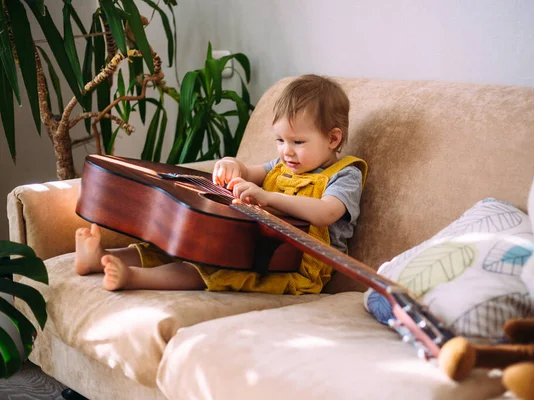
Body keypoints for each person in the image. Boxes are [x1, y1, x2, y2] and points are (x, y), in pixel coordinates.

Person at [74, 74, 368, 295]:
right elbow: (250, 171)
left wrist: (267, 197)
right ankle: (101, 258)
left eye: (298, 142)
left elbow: (326, 213)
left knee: (215, 268)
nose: (286, 151)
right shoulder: (281, 166)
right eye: (280, 140)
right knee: (182, 244)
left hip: (297, 266)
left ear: (333, 139)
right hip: (256, 244)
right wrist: (232, 164)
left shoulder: (345, 174)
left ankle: (134, 278)